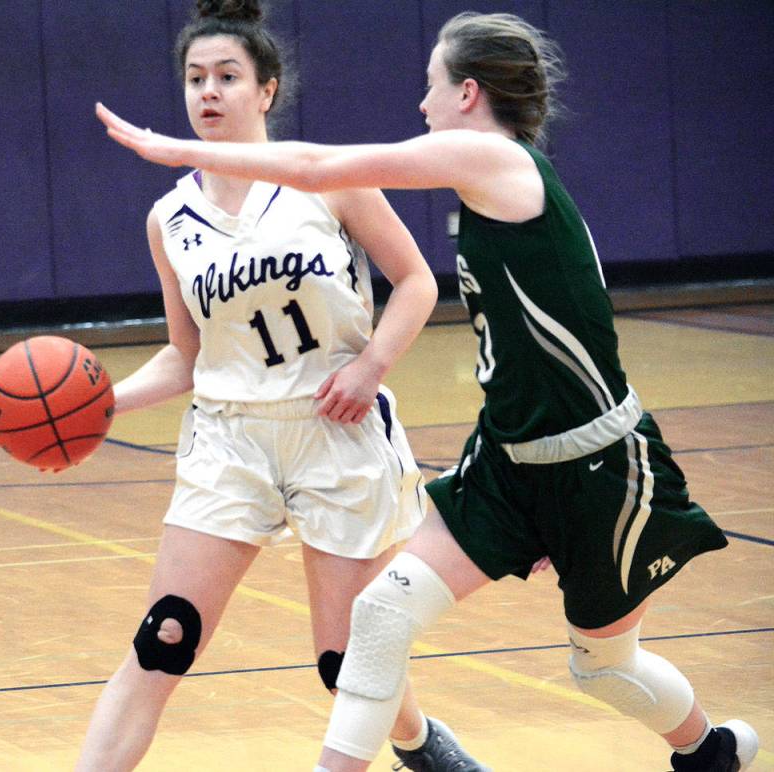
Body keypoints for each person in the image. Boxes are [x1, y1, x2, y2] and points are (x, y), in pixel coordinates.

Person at [96, 10, 761, 772]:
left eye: (431, 85)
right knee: (377, 618)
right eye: (196, 79)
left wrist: (171, 147)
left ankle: (707, 751)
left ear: (468, 93)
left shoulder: (495, 159)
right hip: (508, 454)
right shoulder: (479, 185)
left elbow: (317, 169)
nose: (421, 103)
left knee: (604, 667)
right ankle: (419, 753)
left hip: (596, 461)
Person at [78, 2, 488, 770]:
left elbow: (415, 282)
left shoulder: (328, 181)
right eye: (195, 78)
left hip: (334, 431)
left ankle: (417, 741)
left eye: (226, 76)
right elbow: (186, 354)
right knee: (164, 638)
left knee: (344, 664)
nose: (208, 91)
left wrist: (370, 366)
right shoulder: (170, 219)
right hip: (228, 439)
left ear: (266, 90)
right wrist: (99, 406)